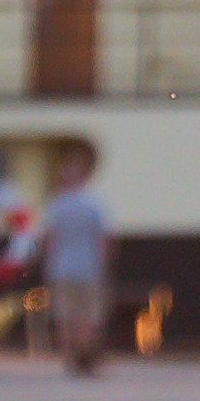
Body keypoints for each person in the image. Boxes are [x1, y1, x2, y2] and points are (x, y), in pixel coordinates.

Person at [33, 147, 115, 375]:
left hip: (60, 268)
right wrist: (104, 265)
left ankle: (70, 358)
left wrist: (46, 263)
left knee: (64, 316)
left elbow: (46, 239)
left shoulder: (54, 205)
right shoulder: (95, 204)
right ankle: (85, 357)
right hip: (89, 268)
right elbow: (103, 239)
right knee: (87, 316)